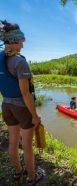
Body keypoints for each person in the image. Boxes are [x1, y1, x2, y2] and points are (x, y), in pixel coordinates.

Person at [0, 20, 44, 185]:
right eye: (21, 42)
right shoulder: (20, 62)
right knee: (26, 146)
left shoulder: (1, 59)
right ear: (13, 40)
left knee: (12, 141)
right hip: (21, 107)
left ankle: (18, 172)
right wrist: (34, 115)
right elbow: (26, 94)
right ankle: (32, 177)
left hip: (6, 105)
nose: (23, 46)